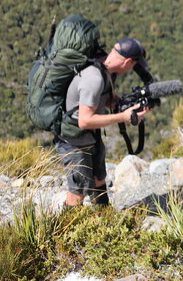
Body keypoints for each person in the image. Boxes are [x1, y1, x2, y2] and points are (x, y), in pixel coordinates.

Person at [57, 38, 152, 207]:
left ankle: (105, 220)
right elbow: (84, 121)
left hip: (92, 136)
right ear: (128, 61)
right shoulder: (94, 78)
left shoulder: (106, 70)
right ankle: (63, 229)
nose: (133, 70)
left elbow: (104, 100)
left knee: (98, 179)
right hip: (73, 139)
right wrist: (123, 117)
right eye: (134, 66)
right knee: (78, 191)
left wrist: (124, 106)